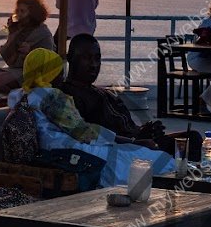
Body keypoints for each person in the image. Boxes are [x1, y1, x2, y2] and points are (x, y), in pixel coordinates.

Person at [9, 47, 173, 187]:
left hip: (51, 151)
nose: (61, 77)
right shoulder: (50, 96)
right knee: (147, 159)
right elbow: (83, 132)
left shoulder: (20, 96)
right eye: (58, 72)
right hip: (66, 151)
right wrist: (131, 141)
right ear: (49, 73)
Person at [60, 34, 201, 157]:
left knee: (192, 138)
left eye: (97, 59)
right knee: (188, 145)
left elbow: (128, 126)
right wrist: (136, 141)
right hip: (124, 149)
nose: (94, 65)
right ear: (71, 58)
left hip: (138, 140)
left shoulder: (101, 92)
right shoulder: (69, 95)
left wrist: (145, 130)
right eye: (87, 58)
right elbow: (90, 134)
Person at [0, 0, 56, 93]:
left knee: (0, 79)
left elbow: (47, 62)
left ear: (32, 14)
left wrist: (30, 53)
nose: (19, 14)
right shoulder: (20, 29)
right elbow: (8, 58)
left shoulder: (43, 33)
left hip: (35, 74)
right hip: (18, 69)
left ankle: (19, 96)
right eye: (17, 11)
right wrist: (11, 35)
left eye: (22, 11)